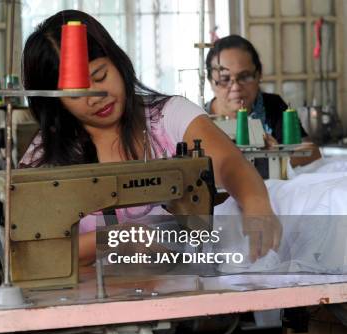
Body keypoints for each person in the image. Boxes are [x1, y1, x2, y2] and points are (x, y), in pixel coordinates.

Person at [19, 10, 281, 265]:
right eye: (76, 94)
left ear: (117, 62)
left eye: (101, 76)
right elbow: (30, 250)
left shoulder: (168, 116)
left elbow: (228, 163)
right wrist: (118, 240)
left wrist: (255, 201)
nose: (98, 96)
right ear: (55, 102)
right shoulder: (46, 153)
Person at [205, 35, 321, 167]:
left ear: (259, 74)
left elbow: (312, 153)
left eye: (245, 76)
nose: (236, 87)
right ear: (210, 82)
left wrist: (277, 154)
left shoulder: (272, 106)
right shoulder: (199, 120)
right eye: (225, 79)